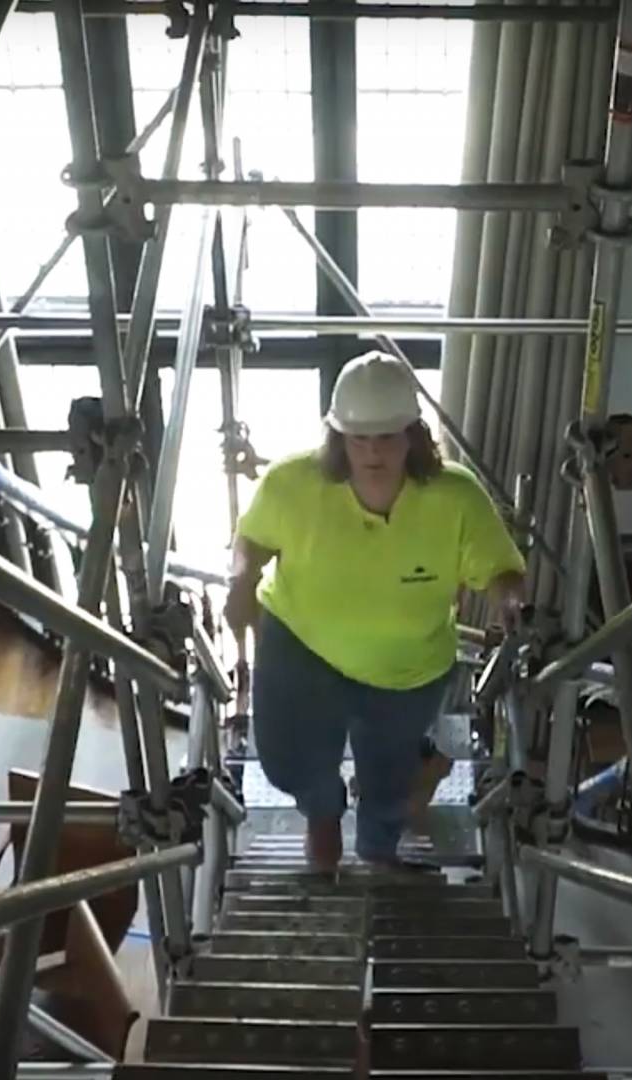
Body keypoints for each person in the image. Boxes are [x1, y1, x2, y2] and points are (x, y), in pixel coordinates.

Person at [225, 351, 526, 870]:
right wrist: (240, 581)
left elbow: (502, 570)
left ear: (413, 435)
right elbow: (250, 541)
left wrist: (511, 601)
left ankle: (379, 843)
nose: (372, 451)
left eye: (386, 436)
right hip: (302, 645)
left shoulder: (457, 498)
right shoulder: (291, 483)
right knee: (287, 759)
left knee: (388, 774)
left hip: (407, 668)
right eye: (358, 437)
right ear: (338, 437)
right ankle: (322, 815)